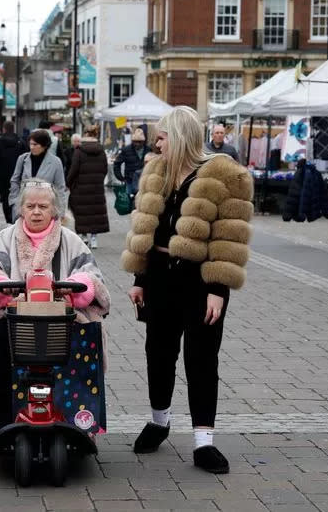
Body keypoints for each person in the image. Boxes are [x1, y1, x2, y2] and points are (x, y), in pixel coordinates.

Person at [122, 106, 254, 474]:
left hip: (200, 280)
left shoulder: (227, 176)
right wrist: (140, 279)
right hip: (160, 276)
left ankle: (203, 442)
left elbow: (228, 237)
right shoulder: (156, 172)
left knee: (201, 358)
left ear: (179, 136)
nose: (156, 143)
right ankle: (159, 421)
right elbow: (145, 230)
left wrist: (217, 290)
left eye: (161, 137)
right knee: (158, 352)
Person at [0, 178, 110, 434]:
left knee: (82, 334)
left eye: (43, 207)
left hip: (62, 315)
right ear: (21, 209)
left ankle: (77, 413)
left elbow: (92, 277)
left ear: (54, 211)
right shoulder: (6, 237)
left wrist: (76, 285)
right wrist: (0, 284)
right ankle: (2, 412)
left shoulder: (70, 239)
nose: (36, 212)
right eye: (30, 206)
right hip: (14, 314)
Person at [8, 129, 67, 222]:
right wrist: (15, 201)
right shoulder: (22, 159)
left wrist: (61, 211)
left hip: (45, 207)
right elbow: (14, 180)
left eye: (35, 144)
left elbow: (60, 188)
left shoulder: (55, 162)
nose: (31, 147)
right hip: (24, 206)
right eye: (30, 144)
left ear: (44, 146)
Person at [66, 125, 109, 249]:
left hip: (80, 187)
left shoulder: (79, 151)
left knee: (82, 212)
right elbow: (105, 169)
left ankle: (84, 236)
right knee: (95, 212)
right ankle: (94, 238)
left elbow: (73, 170)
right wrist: (98, 180)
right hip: (96, 187)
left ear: (85, 135)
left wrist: (68, 183)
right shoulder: (101, 151)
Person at [0, 121, 28, 223]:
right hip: (18, 175)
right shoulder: (21, 142)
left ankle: (9, 219)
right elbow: (27, 159)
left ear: (4, 129)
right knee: (18, 197)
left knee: (5, 198)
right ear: (13, 129)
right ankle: (16, 218)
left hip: (2, 176)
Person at [113, 128, 152, 198]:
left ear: (143, 141)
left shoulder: (148, 149)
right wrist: (121, 178)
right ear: (132, 141)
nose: (137, 144)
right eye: (135, 141)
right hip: (129, 181)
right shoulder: (126, 150)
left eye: (139, 142)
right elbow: (117, 164)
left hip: (144, 180)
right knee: (129, 202)